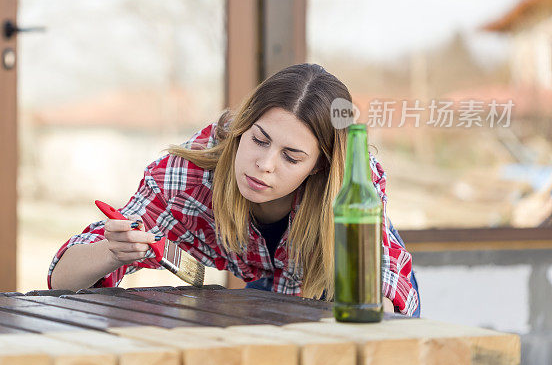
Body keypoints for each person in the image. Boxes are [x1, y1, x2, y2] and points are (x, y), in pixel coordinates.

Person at [48, 63, 420, 316]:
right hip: (265, 287)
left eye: (291, 157)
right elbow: (61, 279)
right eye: (259, 140)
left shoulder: (352, 183)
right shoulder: (191, 174)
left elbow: (384, 300)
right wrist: (113, 251)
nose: (265, 164)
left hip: (339, 288)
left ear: (318, 166)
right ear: (241, 128)